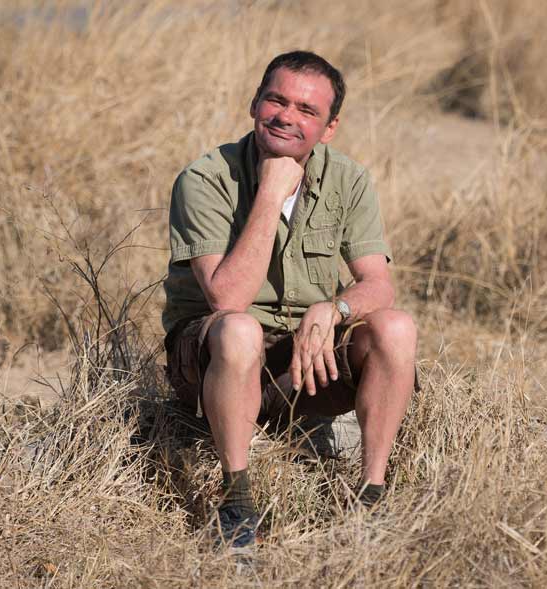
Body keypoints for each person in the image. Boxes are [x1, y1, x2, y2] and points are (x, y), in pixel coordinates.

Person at [162, 51, 418, 548]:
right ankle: (237, 505)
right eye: (276, 100)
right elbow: (226, 298)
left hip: (306, 357)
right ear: (254, 103)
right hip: (216, 357)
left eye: (307, 110)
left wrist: (334, 309)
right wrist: (270, 191)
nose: (287, 116)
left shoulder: (348, 178)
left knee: (396, 327)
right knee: (240, 329)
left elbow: (378, 284)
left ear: (329, 128)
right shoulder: (205, 179)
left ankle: (371, 497)